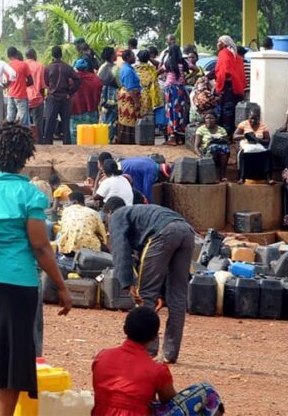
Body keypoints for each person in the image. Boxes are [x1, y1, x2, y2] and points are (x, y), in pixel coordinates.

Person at [0, 122, 71, 416]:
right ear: (24, 157)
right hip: (19, 284)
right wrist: (62, 286)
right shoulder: (29, 195)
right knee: (15, 354)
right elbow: (41, 248)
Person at [103, 197, 195, 364]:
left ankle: (147, 351)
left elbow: (120, 250)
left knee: (145, 296)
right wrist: (160, 291)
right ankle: (170, 354)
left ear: (109, 212)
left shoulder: (117, 216)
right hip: (186, 231)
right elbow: (149, 261)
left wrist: (127, 283)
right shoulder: (140, 214)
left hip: (163, 233)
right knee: (178, 297)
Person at [92, 306, 176, 415]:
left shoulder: (102, 357)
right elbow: (172, 401)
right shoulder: (158, 370)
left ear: (124, 329)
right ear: (154, 336)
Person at [41, 46, 80, 145]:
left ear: (52, 55)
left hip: (52, 97)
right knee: (65, 124)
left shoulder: (48, 67)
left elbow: (45, 82)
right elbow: (78, 79)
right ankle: (67, 144)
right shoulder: (67, 67)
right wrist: (70, 92)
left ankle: (48, 145)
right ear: (61, 55)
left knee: (49, 122)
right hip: (65, 97)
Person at [159, 44, 190, 145]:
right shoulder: (184, 63)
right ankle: (180, 136)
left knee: (170, 111)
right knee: (179, 110)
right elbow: (196, 70)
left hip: (170, 89)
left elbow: (158, 71)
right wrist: (186, 78)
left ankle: (172, 136)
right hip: (180, 89)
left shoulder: (168, 63)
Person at [215, 36, 246, 136]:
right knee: (234, 112)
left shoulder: (223, 53)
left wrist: (219, 80)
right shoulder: (236, 55)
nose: (217, 44)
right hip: (236, 87)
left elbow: (225, 70)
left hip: (227, 87)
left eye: (219, 42)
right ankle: (233, 134)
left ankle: (225, 134)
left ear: (224, 43)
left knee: (225, 112)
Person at [233, 104, 271, 183]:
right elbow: (235, 136)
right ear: (248, 117)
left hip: (258, 145)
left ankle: (268, 177)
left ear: (259, 118)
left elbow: (268, 140)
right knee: (242, 154)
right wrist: (246, 136)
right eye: (251, 118)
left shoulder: (263, 126)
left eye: (255, 119)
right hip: (246, 145)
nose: (253, 121)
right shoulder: (244, 124)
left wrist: (258, 140)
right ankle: (242, 177)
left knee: (268, 153)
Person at [70, 58, 104, 142]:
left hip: (75, 110)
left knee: (75, 134)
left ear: (76, 68)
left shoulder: (71, 80)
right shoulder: (95, 79)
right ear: (86, 68)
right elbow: (100, 89)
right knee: (91, 134)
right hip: (91, 111)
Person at [116, 50, 142, 145]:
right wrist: (136, 102)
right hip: (129, 97)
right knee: (129, 118)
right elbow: (130, 88)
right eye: (133, 56)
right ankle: (128, 140)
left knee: (130, 118)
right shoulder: (127, 70)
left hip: (130, 95)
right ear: (127, 58)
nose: (135, 58)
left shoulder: (129, 68)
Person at [195, 112, 231, 182]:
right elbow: (196, 146)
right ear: (204, 119)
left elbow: (227, 142)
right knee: (213, 147)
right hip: (206, 150)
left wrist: (220, 139)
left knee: (225, 149)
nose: (209, 120)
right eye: (207, 118)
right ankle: (214, 175)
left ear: (215, 119)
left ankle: (223, 175)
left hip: (220, 149)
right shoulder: (201, 129)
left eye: (211, 118)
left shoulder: (221, 129)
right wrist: (200, 155)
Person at [5, 47, 32, 127]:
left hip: (10, 95)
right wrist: (22, 85)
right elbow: (31, 81)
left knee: (10, 119)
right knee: (22, 120)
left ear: (8, 56)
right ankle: (21, 137)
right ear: (17, 54)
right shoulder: (23, 65)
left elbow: (7, 82)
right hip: (21, 96)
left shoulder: (7, 66)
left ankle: (9, 136)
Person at [98, 47, 119, 138]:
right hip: (113, 97)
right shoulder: (116, 68)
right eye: (115, 53)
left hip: (102, 96)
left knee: (103, 118)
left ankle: (102, 137)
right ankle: (109, 138)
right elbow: (120, 83)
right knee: (112, 120)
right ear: (111, 56)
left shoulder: (101, 67)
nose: (116, 55)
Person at [134, 50, 162, 118]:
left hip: (137, 94)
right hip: (150, 95)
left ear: (138, 58)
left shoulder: (135, 69)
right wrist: (149, 58)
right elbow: (160, 65)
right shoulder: (152, 70)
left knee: (138, 116)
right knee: (148, 117)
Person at [25, 48, 46, 140]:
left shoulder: (23, 65)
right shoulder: (40, 66)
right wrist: (42, 97)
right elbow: (42, 85)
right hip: (37, 98)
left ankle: (26, 140)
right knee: (38, 123)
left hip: (24, 98)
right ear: (34, 55)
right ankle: (39, 141)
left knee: (25, 122)